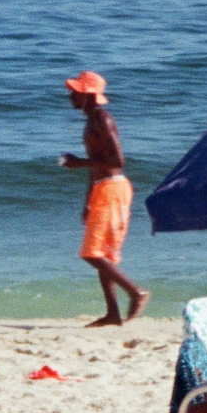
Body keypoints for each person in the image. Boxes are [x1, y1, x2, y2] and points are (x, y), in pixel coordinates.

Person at [61, 70, 146, 326]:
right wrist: (88, 200)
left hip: (113, 187)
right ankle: (112, 314)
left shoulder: (102, 119)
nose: (70, 96)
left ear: (87, 95)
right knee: (102, 254)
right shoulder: (91, 121)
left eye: (75, 92)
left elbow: (118, 161)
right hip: (102, 188)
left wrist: (79, 162)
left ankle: (135, 292)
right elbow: (96, 167)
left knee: (91, 254)